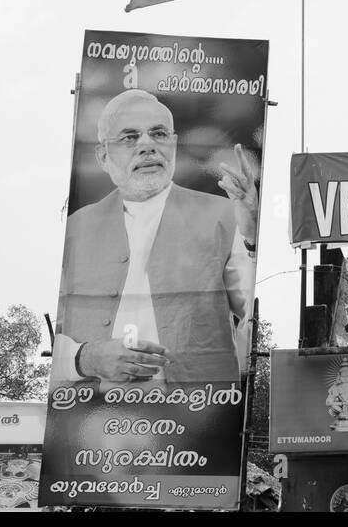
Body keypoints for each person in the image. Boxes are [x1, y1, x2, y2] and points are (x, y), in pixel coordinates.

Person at [51, 89, 259, 388]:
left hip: (198, 414)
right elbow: (51, 334)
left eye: (158, 133)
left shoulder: (225, 215)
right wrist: (85, 357)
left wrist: (250, 233)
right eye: (129, 137)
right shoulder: (76, 228)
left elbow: (249, 314)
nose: (147, 145)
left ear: (173, 144)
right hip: (91, 414)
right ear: (102, 156)